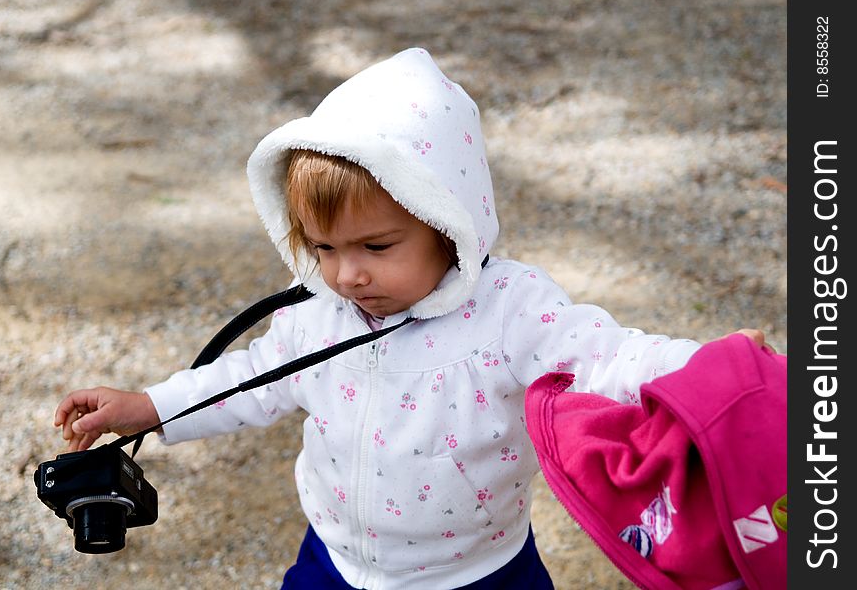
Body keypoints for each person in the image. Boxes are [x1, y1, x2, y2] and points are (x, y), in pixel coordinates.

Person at [53, 48, 768, 589]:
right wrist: (150, 406)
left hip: (480, 573)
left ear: (447, 223)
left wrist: (713, 368)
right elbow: (250, 380)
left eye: (377, 247)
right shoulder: (322, 317)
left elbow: (608, 356)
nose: (348, 274)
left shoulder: (512, 311)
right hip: (334, 562)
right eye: (325, 248)